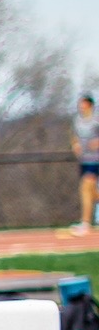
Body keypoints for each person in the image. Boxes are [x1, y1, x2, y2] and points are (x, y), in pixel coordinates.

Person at [72, 95, 98, 235]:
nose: (81, 107)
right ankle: (86, 223)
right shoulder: (78, 120)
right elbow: (74, 136)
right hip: (84, 160)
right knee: (91, 192)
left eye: (83, 104)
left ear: (90, 105)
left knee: (85, 187)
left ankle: (86, 223)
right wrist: (75, 145)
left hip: (96, 159)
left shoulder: (96, 119)